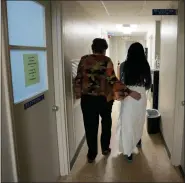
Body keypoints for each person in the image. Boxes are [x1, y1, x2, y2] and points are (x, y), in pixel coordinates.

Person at [74, 38, 141, 163]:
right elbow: (112, 80)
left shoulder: (84, 59)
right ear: (105, 49)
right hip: (104, 99)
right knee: (106, 122)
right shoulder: (107, 61)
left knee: (90, 126)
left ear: (92, 47)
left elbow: (78, 78)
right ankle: (105, 149)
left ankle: (91, 154)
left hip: (87, 99)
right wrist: (129, 92)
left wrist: (78, 94)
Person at [116, 42, 151, 162]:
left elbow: (120, 83)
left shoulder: (124, 65)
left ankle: (128, 151)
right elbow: (148, 84)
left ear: (129, 52)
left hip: (128, 95)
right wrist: (140, 88)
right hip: (140, 96)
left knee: (127, 123)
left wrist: (130, 90)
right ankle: (137, 140)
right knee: (138, 120)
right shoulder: (145, 65)